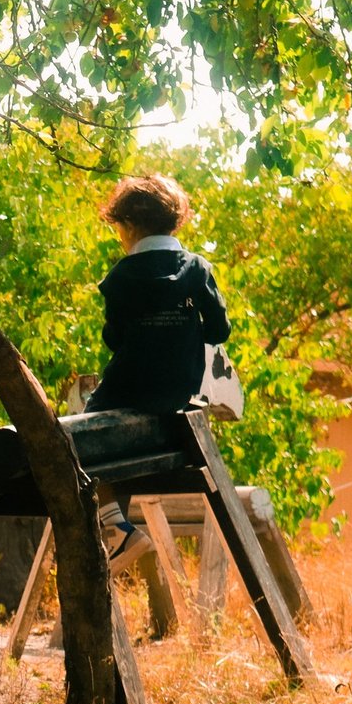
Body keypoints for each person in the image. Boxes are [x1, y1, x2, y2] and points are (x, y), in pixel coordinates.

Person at [84, 173, 231, 570]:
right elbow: (219, 331)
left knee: (82, 438)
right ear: (175, 222)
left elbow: (114, 339)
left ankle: (118, 529)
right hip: (177, 396)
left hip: (126, 391)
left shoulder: (118, 279)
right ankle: (118, 530)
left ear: (129, 226)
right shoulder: (196, 269)